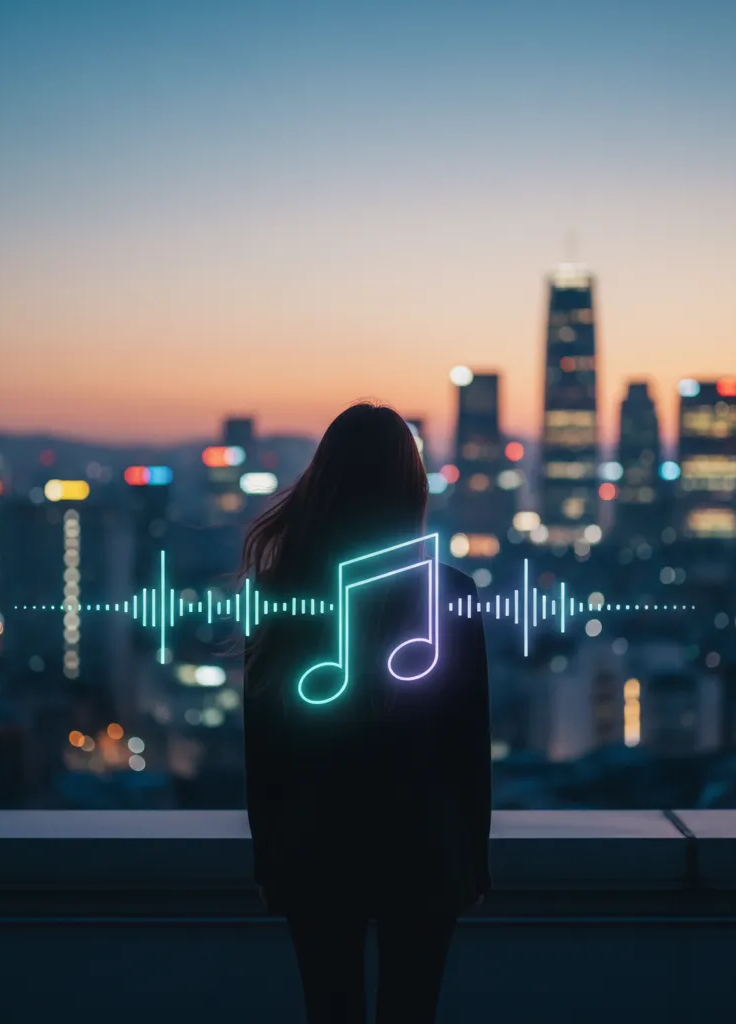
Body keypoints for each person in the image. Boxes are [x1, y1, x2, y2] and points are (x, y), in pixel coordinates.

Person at [241, 402, 492, 1024]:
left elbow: (265, 744)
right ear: (412, 486)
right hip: (424, 847)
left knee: (330, 1011)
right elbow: (467, 743)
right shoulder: (450, 595)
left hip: (317, 844)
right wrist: (474, 859)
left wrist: (270, 857)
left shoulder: (280, 592)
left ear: (324, 481)